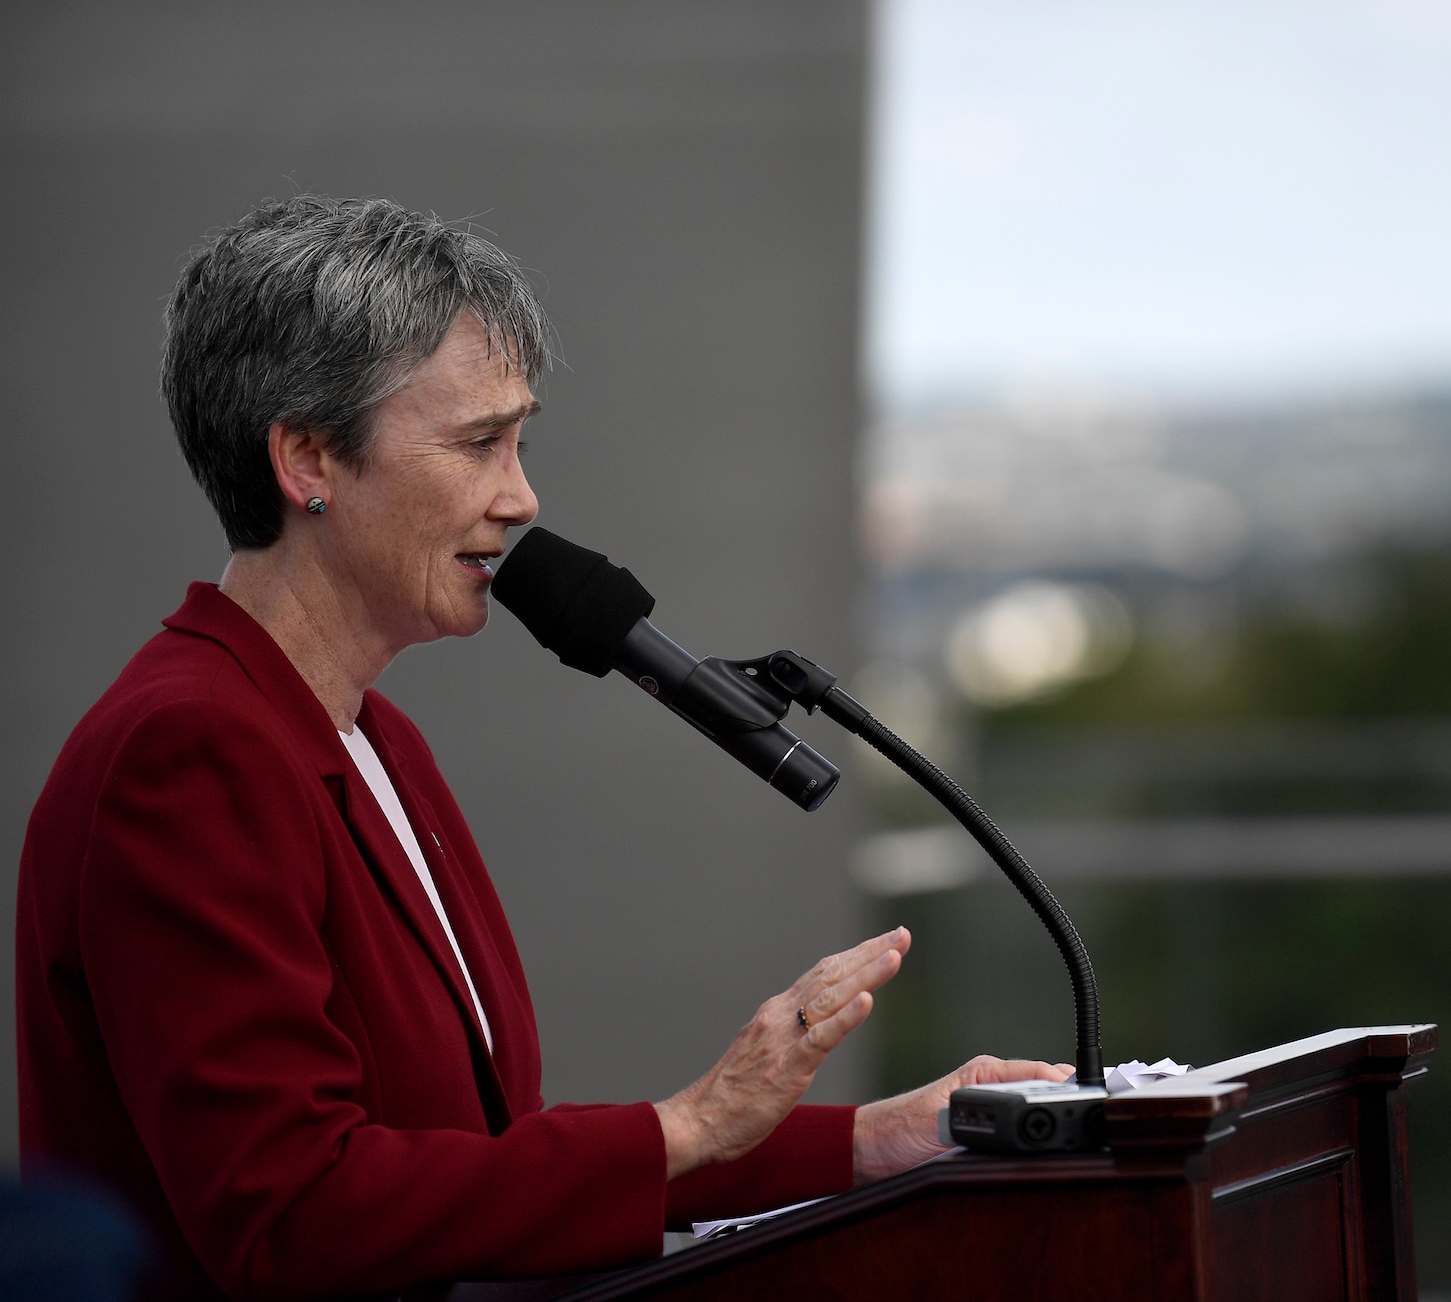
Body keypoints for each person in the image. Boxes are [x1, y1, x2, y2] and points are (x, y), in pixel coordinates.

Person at [15, 194, 1068, 1301]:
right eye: (479, 444)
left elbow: (468, 1157)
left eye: (518, 442)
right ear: (309, 457)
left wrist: (866, 1140)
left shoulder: (372, 738)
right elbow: (296, 1210)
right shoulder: (190, 750)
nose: (521, 496)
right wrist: (688, 1124)